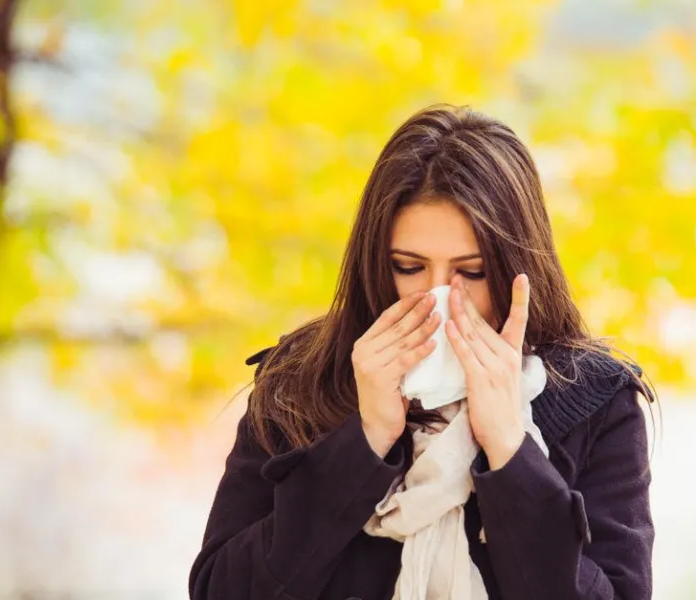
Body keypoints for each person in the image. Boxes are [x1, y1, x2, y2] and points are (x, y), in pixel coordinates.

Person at [189, 104, 656, 600]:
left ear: (518, 267)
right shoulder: (299, 383)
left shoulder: (594, 401)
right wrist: (363, 441)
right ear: (376, 263)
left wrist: (509, 449)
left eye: (472, 273)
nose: (439, 298)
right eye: (409, 267)